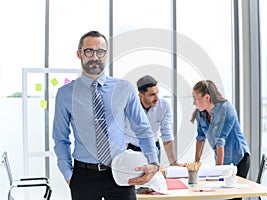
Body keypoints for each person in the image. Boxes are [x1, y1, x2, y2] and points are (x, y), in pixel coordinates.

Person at [52, 31, 159, 200]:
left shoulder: (124, 89)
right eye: (89, 51)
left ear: (106, 55)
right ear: (79, 54)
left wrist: (153, 163)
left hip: (121, 173)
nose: (95, 56)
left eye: (100, 51)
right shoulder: (65, 94)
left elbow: (143, 128)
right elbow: (60, 138)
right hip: (83, 176)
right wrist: (68, 174)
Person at [191, 80, 250, 181]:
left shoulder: (226, 109)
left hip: (239, 160)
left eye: (196, 98)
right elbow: (200, 138)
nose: (193, 102)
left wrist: (218, 170)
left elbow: (220, 141)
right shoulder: (200, 115)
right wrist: (195, 167)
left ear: (207, 98)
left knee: (233, 195)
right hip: (222, 160)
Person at [126, 75, 182, 166]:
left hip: (154, 147)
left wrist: (173, 162)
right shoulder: (130, 107)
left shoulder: (164, 106)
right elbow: (123, 135)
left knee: (154, 177)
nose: (157, 98)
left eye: (157, 92)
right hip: (133, 149)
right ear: (140, 95)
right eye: (152, 94)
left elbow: (166, 135)